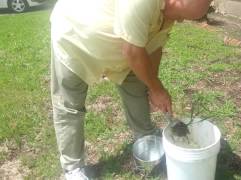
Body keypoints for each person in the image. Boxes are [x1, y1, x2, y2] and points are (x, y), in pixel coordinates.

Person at [50, 0, 211, 179]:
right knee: (70, 105)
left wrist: (153, 85)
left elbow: (154, 46)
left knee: (137, 87)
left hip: (123, 50)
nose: (180, 21)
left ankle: (145, 139)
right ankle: (73, 168)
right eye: (182, 16)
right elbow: (133, 52)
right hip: (76, 37)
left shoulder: (168, 15)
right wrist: (157, 90)